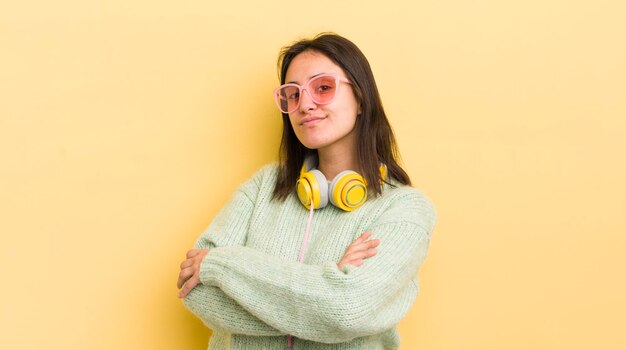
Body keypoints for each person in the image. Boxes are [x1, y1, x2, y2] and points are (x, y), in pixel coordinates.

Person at [177, 33, 436, 350]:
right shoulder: (263, 186)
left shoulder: (404, 209)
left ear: (361, 98)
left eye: (323, 88)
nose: (306, 104)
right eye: (293, 94)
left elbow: (347, 311)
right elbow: (196, 291)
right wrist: (326, 284)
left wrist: (222, 265)